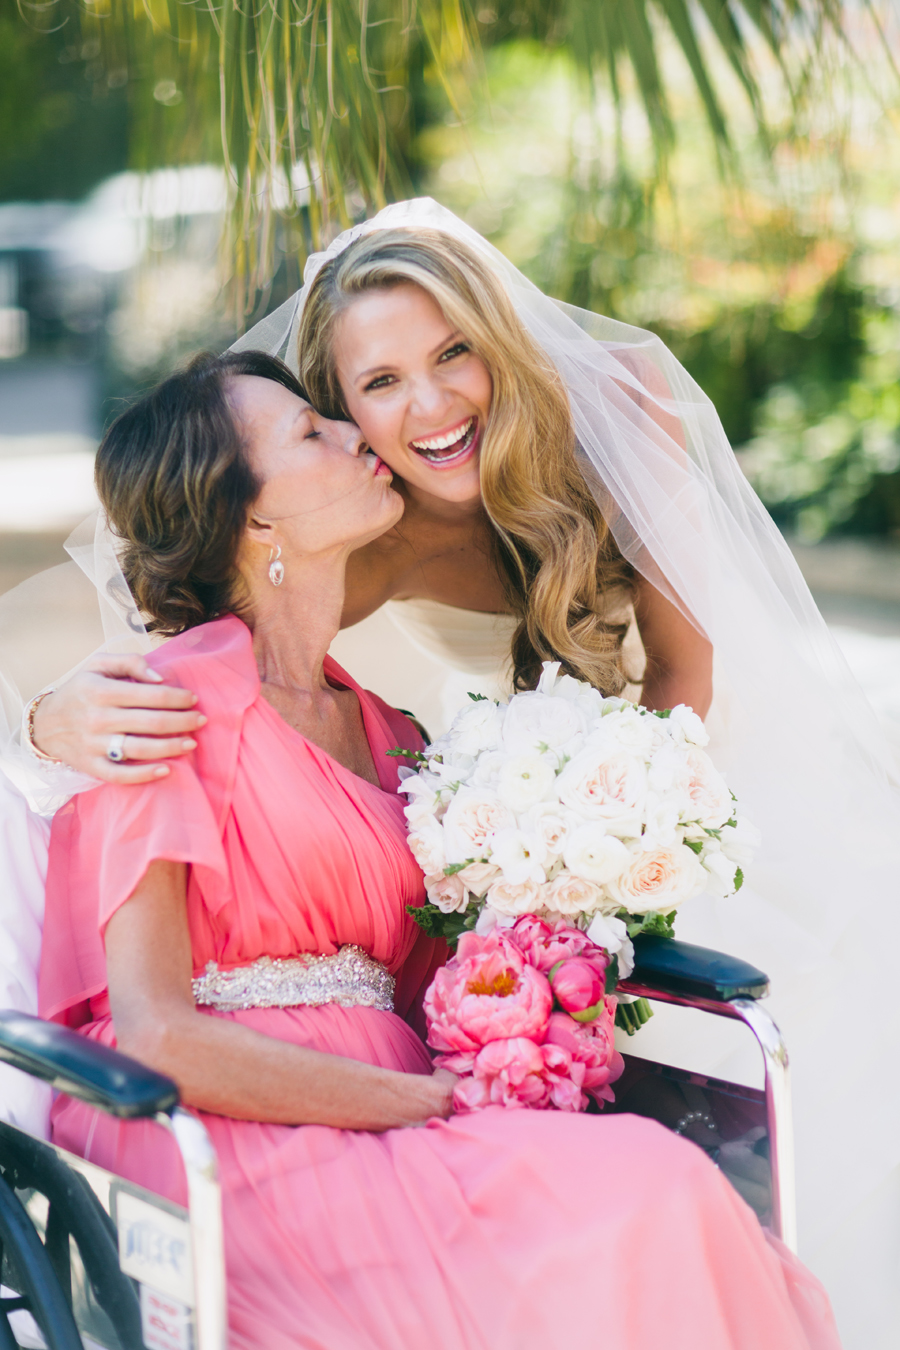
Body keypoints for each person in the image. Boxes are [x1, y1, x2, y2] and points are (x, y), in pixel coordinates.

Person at [11, 200, 900, 1346]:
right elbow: (157, 1010)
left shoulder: (399, 721)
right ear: (282, 485)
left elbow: (684, 678)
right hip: (293, 1120)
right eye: (364, 396)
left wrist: (602, 847)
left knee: (751, 1101)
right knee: (642, 1181)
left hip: (667, 786)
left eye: (450, 355)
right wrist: (50, 714)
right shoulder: (235, 658)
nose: (420, 410)